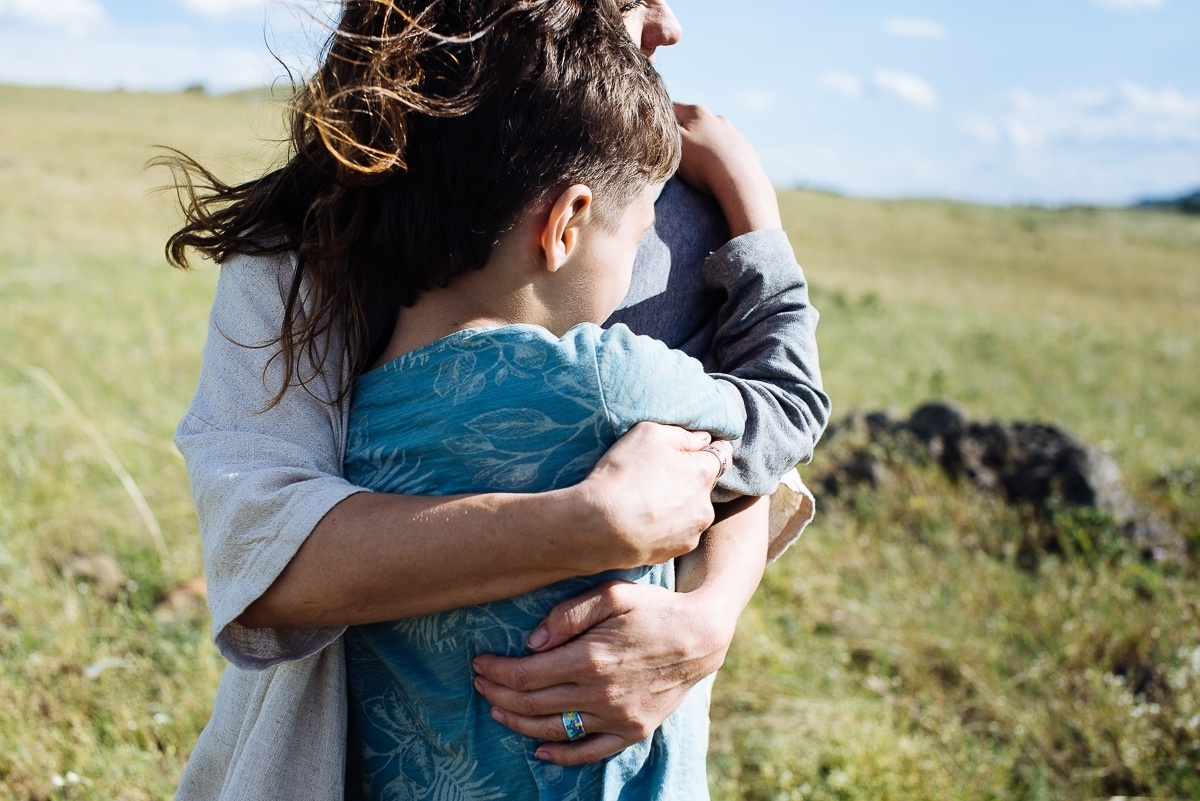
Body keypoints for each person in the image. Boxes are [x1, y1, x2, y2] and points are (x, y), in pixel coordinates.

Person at [164, 0, 829, 798]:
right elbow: (266, 557)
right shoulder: (308, 241)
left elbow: (740, 479)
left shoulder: (668, 213)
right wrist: (588, 524)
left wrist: (707, 620)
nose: (669, 25)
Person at [334, 2, 744, 796]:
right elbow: (779, 405)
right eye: (638, 240)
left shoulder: (349, 412)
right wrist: (750, 200)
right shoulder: (609, 380)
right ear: (566, 225)